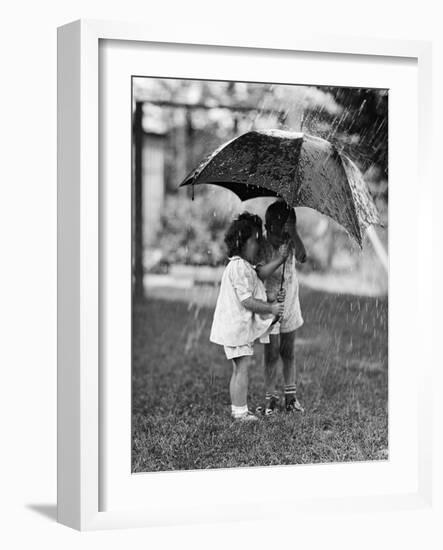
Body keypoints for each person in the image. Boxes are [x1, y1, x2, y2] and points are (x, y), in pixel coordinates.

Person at [210, 212, 286, 422]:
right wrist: (271, 309)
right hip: (237, 328)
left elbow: (255, 291)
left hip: (236, 327)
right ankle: (241, 413)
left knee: (238, 369)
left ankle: (238, 410)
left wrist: (271, 298)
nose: (258, 244)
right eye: (255, 240)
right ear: (241, 242)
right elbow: (247, 301)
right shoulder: (239, 267)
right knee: (241, 369)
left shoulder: (241, 266)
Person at [256, 200, 307, 416]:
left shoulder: (291, 242)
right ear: (267, 229)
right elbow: (261, 273)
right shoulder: (263, 246)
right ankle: (270, 399)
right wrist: (280, 258)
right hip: (270, 307)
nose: (282, 239)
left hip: (291, 305)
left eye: (286, 233)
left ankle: (290, 397)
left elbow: (303, 257)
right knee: (272, 353)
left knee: (288, 352)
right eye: (278, 234)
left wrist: (293, 234)